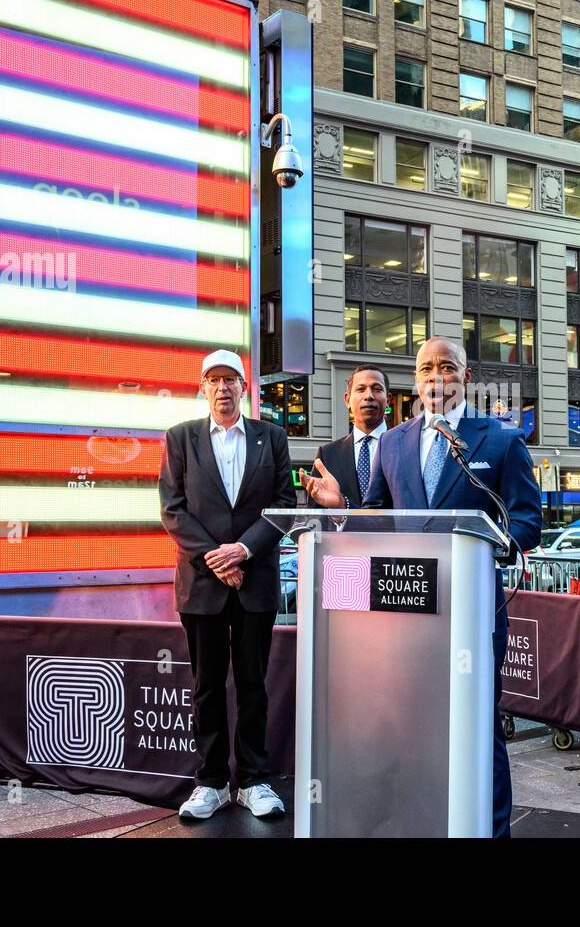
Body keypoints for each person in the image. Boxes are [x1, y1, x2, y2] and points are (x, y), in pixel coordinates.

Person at [301, 336, 542, 837]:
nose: (437, 377)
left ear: (466, 377)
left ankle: (491, 828)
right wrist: (341, 508)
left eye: (447, 367)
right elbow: (378, 517)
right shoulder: (394, 442)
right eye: (427, 369)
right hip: (409, 612)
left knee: (477, 722)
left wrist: (489, 545)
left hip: (472, 610)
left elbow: (527, 521)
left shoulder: (500, 439)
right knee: (410, 722)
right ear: (415, 380)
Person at [158, 349, 295, 821]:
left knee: (253, 684)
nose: (222, 387)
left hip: (255, 579)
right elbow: (173, 509)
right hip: (202, 583)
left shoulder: (271, 437)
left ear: (243, 387)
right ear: (203, 387)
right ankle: (211, 783)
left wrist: (244, 550)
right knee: (207, 687)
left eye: (230, 379)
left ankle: (254, 781)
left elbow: (284, 504)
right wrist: (216, 558)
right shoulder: (181, 438)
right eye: (213, 380)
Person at [311, 364, 390, 507]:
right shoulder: (327, 455)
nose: (369, 396)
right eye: (360, 389)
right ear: (347, 400)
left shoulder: (406, 449)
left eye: (377, 389)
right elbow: (315, 515)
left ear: (388, 399)